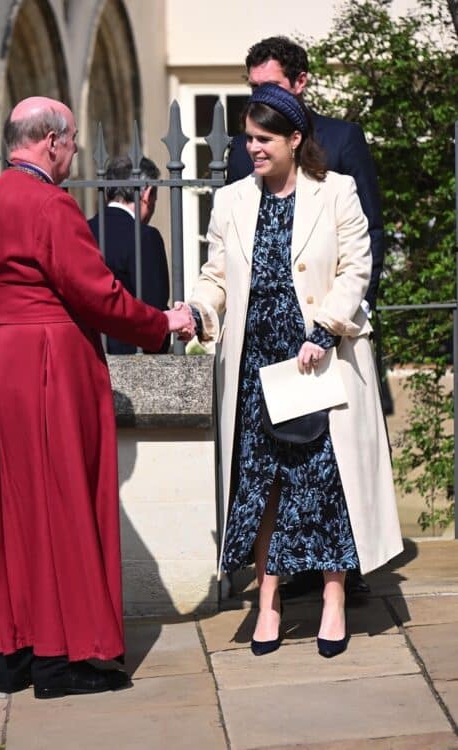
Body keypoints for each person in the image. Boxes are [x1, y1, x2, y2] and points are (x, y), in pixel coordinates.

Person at [0, 96, 194, 699]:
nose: (74, 155)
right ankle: (65, 659)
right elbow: (99, 296)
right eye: (71, 145)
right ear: (50, 141)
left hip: (0, 367)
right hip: (52, 364)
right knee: (65, 503)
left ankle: (17, 653)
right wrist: (161, 323)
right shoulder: (52, 207)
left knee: (13, 512)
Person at [184, 84, 402, 658]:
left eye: (263, 139)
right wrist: (199, 309)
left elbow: (357, 267)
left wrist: (324, 327)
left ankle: (333, 600)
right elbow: (216, 277)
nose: (252, 148)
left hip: (317, 361)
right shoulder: (231, 201)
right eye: (248, 139)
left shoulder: (337, 193)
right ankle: (269, 602)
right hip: (257, 365)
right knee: (264, 487)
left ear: (294, 139)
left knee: (325, 484)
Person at [227, 35, 385, 597]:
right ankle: (281, 584)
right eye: (253, 90)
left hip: (324, 339)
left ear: (300, 82)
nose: (252, 144)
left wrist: (340, 321)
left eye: (269, 86)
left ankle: (342, 581)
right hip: (261, 351)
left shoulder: (341, 144)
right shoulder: (244, 157)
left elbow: (367, 245)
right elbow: (229, 255)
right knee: (267, 476)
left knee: (329, 469)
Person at [88, 156, 171, 354]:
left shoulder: (83, 229)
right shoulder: (145, 237)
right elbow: (154, 306)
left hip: (89, 350)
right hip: (132, 352)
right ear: (147, 193)